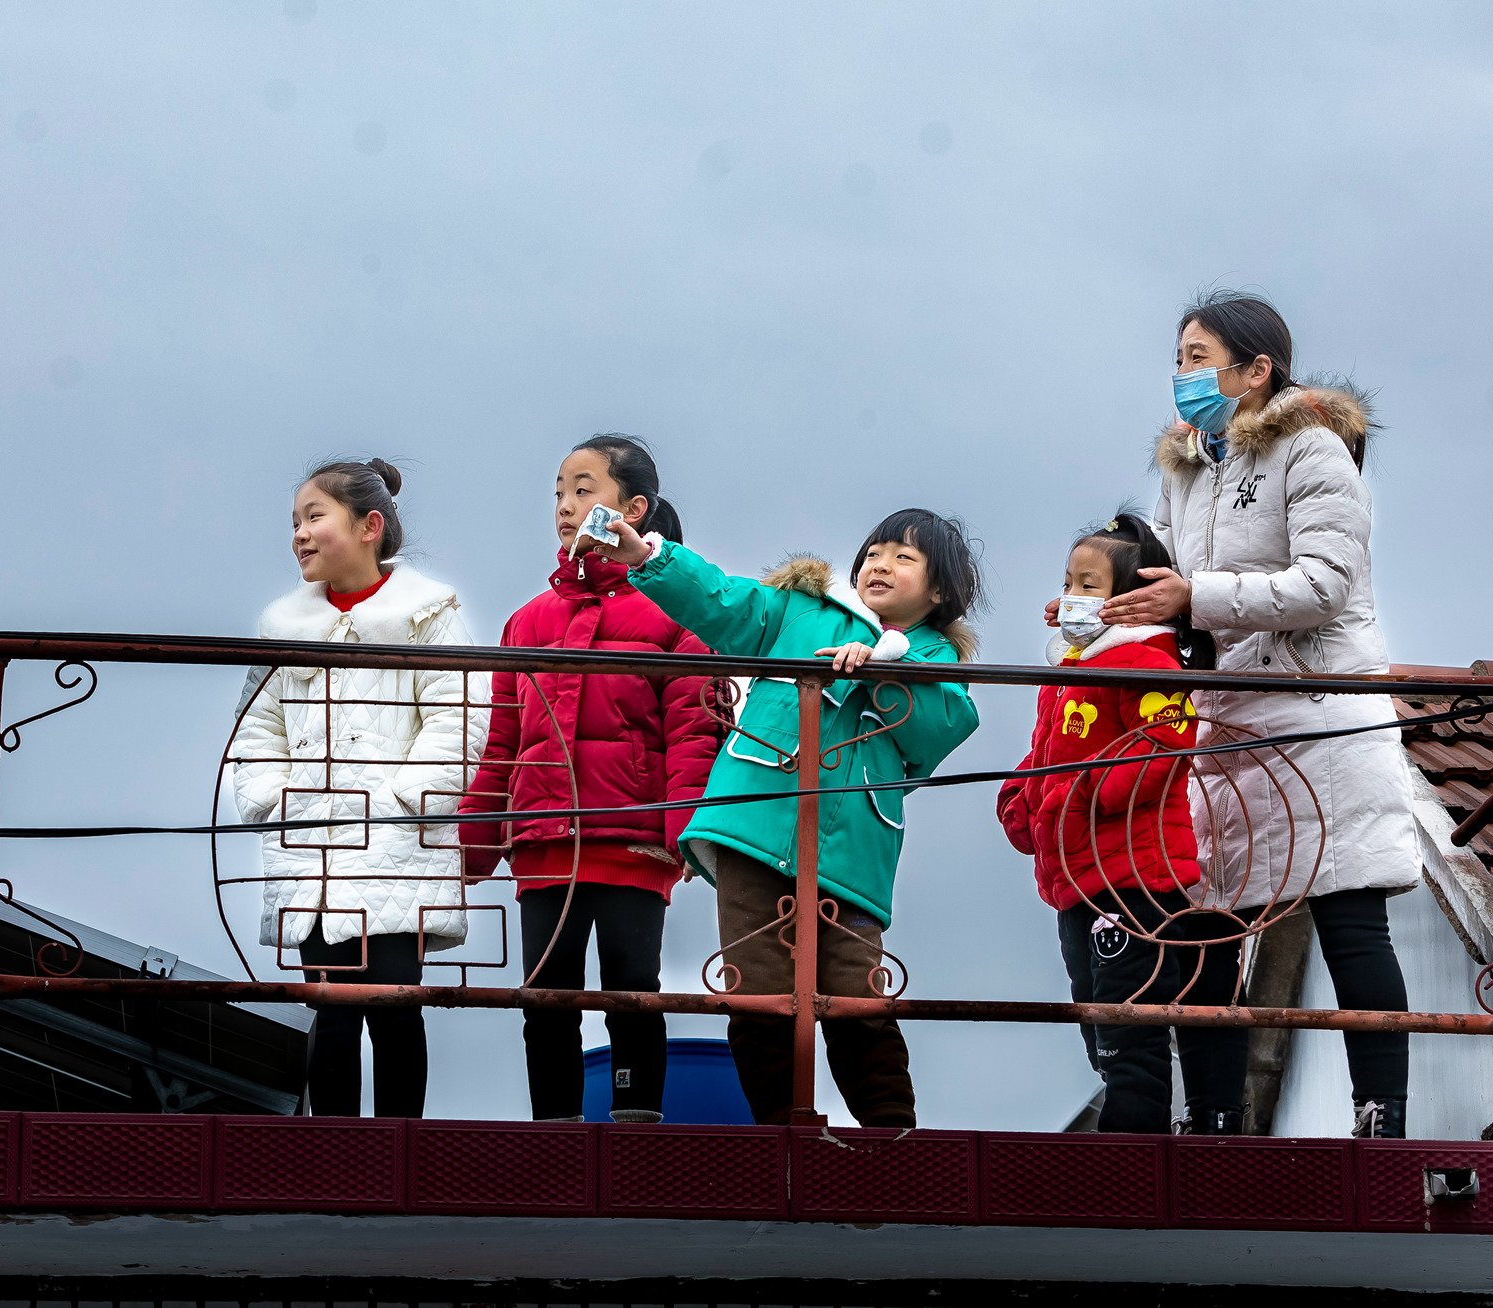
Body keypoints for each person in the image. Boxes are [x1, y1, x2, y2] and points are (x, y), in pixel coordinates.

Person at [1098, 290, 1419, 1138]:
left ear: (1256, 368)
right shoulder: (1186, 465)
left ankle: (1381, 1117)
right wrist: (1103, 615)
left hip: (1320, 711)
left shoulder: (1311, 446)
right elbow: (1168, 593)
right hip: (1228, 720)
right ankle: (1211, 1119)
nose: (1182, 375)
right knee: (1208, 926)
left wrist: (1194, 597)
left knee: (1350, 912)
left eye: (1198, 358)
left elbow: (1326, 584)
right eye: (1177, 358)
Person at [594, 508, 982, 1129]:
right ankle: (781, 1128)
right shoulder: (801, 610)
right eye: (875, 551)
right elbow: (723, 602)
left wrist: (885, 665)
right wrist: (650, 558)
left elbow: (940, 732)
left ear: (939, 591)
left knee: (856, 992)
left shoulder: (939, 662)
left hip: (850, 853)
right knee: (757, 987)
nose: (881, 563)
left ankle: (892, 1135)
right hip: (753, 824)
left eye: (905, 558)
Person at [457, 434, 723, 1124]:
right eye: (558, 492)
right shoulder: (527, 621)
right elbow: (505, 740)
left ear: (634, 508)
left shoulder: (675, 615)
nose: (566, 507)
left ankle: (636, 1130)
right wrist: (478, 836)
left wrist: (684, 833)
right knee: (545, 997)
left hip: (634, 839)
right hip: (543, 839)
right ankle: (556, 1136)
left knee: (633, 990)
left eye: (584, 490)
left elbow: (695, 733)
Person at [231, 458, 487, 1118]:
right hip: (311, 844)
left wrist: (400, 803)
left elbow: (461, 715)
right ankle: (336, 1160)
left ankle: (401, 1159)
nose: (299, 534)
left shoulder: (429, 614)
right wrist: (269, 799)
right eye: (294, 521)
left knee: (395, 1009)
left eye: (315, 517)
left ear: (370, 526)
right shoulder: (283, 629)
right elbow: (257, 727)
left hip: (398, 850)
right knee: (332, 1012)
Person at [997, 513, 1208, 1134]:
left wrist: (1080, 798)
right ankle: (1133, 1134)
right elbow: (1046, 754)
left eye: (1088, 585)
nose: (1070, 597)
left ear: (1131, 600)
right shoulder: (1069, 673)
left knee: (1128, 1024)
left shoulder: (1149, 664)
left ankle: (1134, 1148)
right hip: (1075, 879)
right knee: (1097, 1022)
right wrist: (1019, 798)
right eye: (1069, 582)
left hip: (1133, 877)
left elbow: (1165, 741)